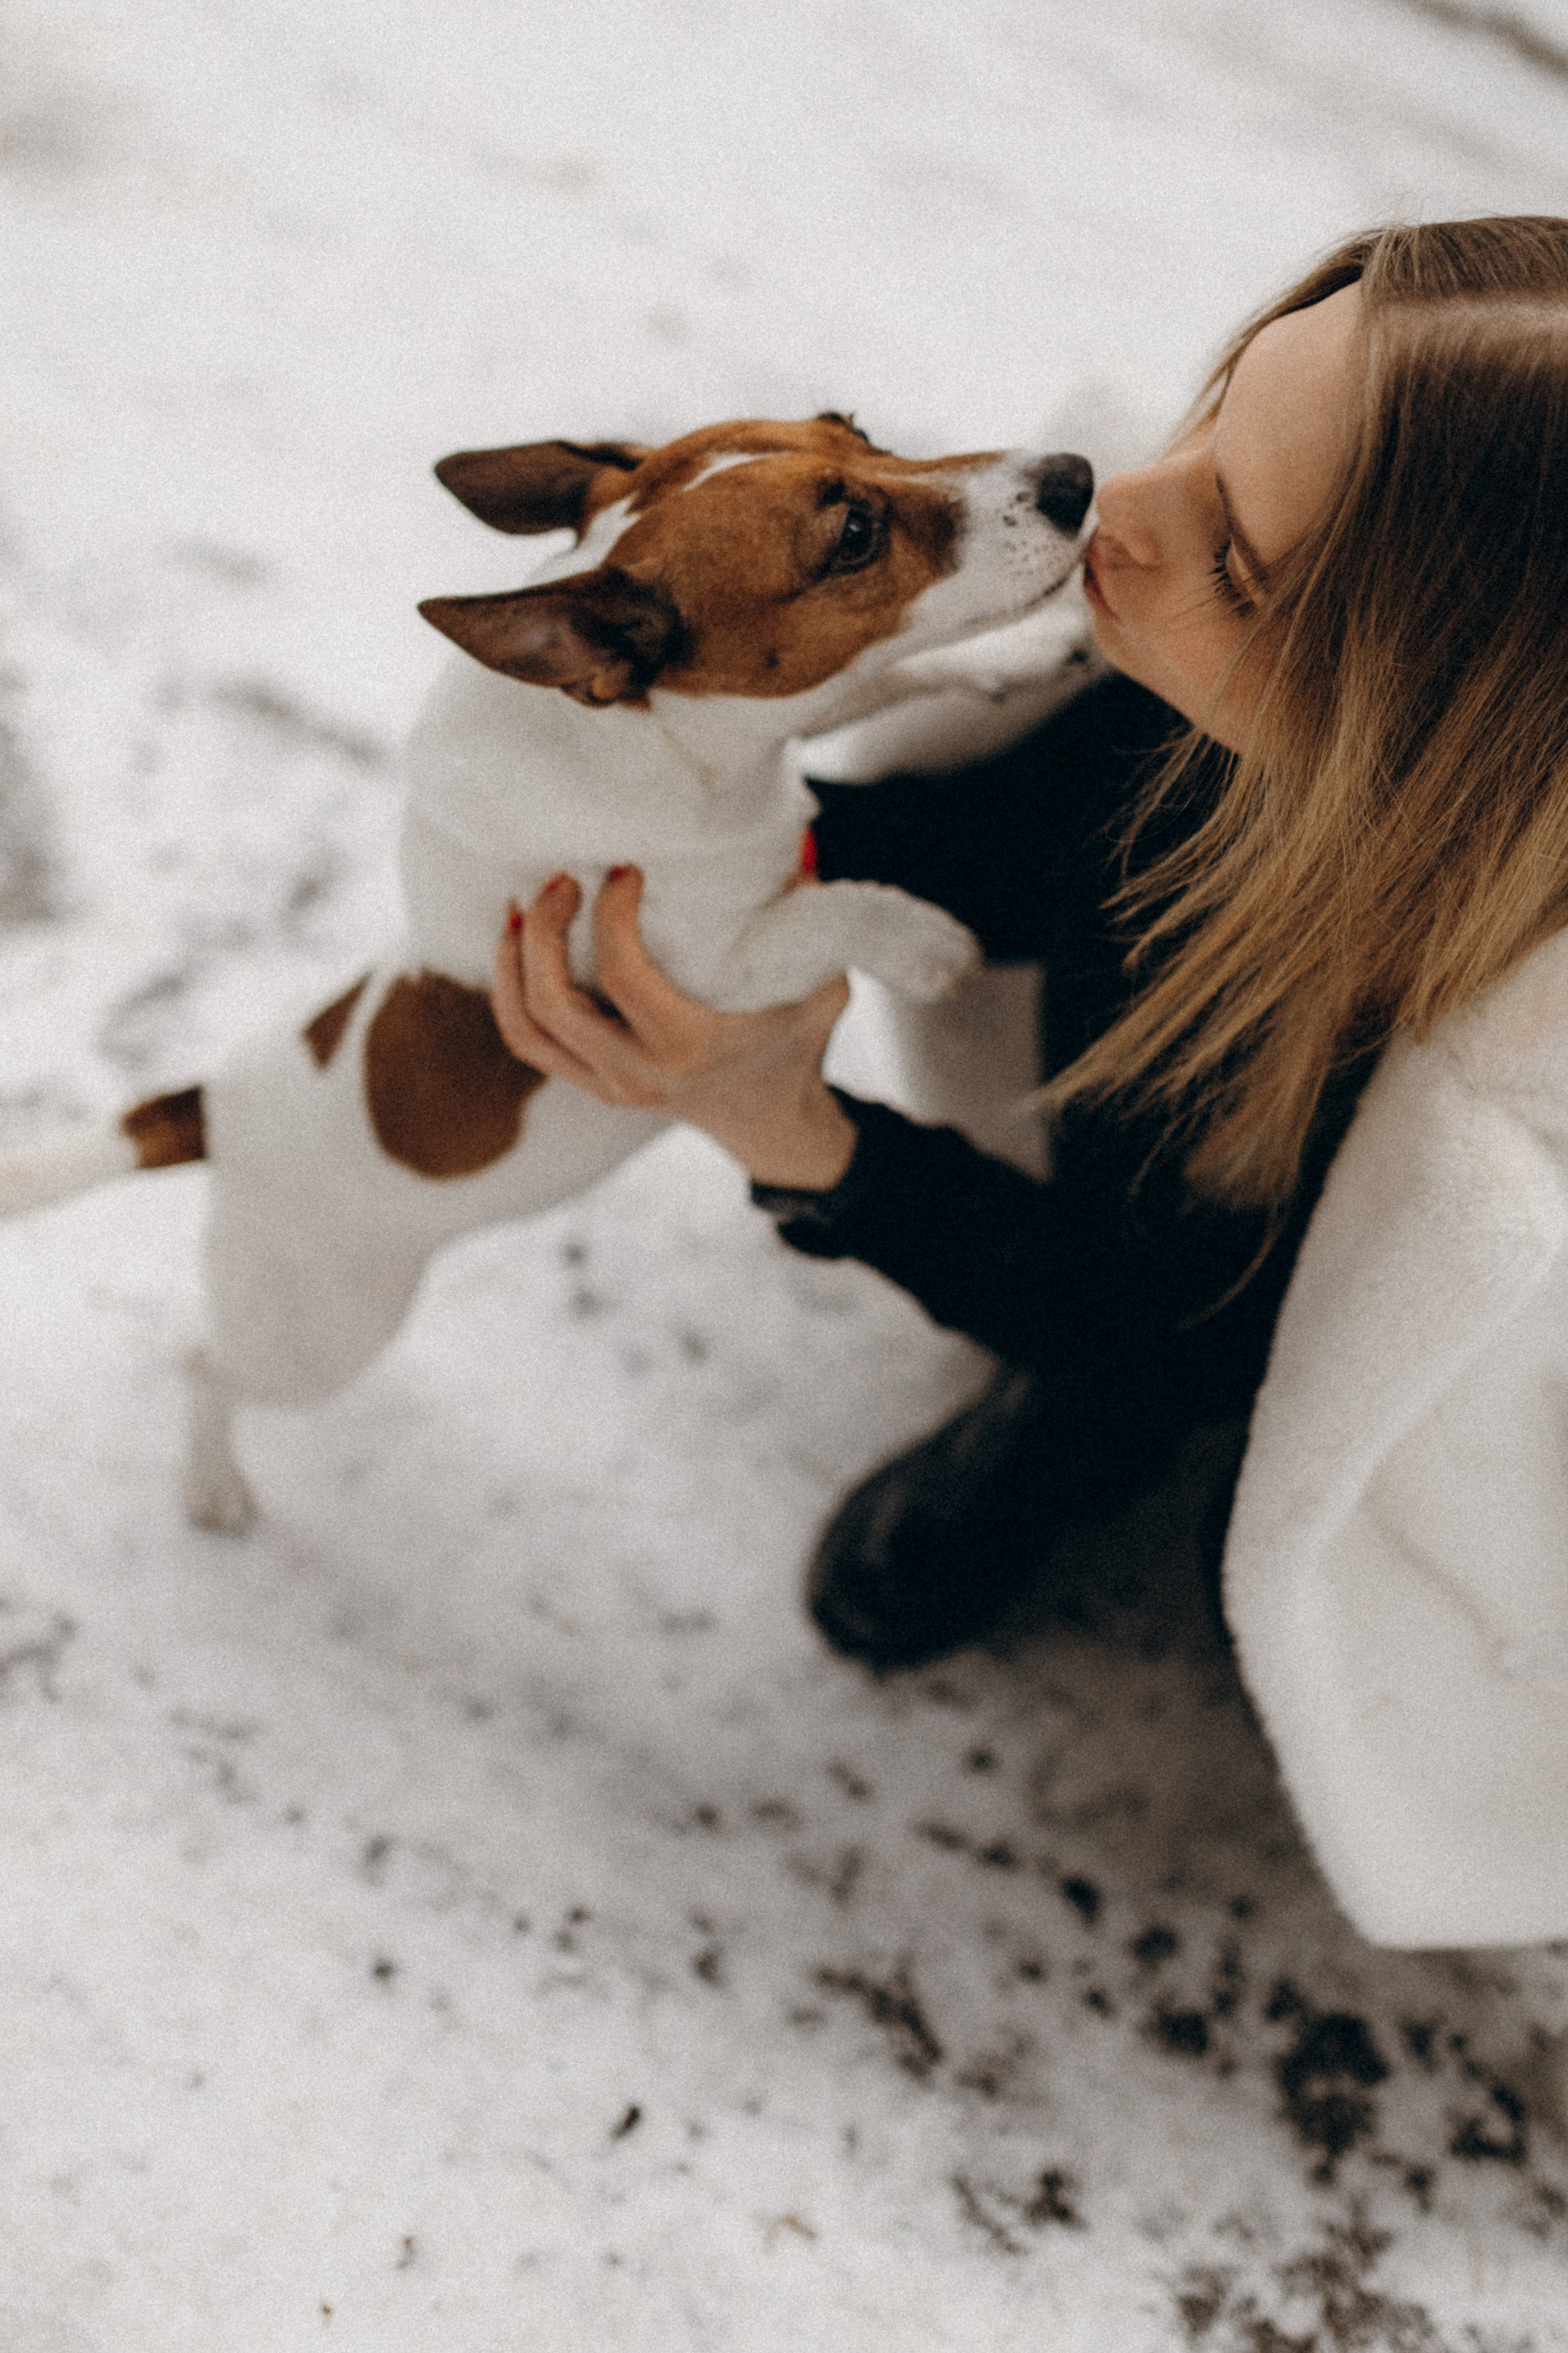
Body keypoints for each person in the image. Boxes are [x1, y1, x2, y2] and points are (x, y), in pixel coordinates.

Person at [492, 217, 1568, 1949]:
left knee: (1178, 1381)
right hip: (1171, 1188)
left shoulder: (1455, 1054)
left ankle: (1079, 1442)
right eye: (1210, 418)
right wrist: (697, 855)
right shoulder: (1195, 723)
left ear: (1436, 740)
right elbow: (1003, 842)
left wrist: (804, 1139)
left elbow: (1167, 1308)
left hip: (1233, 1300)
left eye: (1241, 564)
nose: (1116, 507)